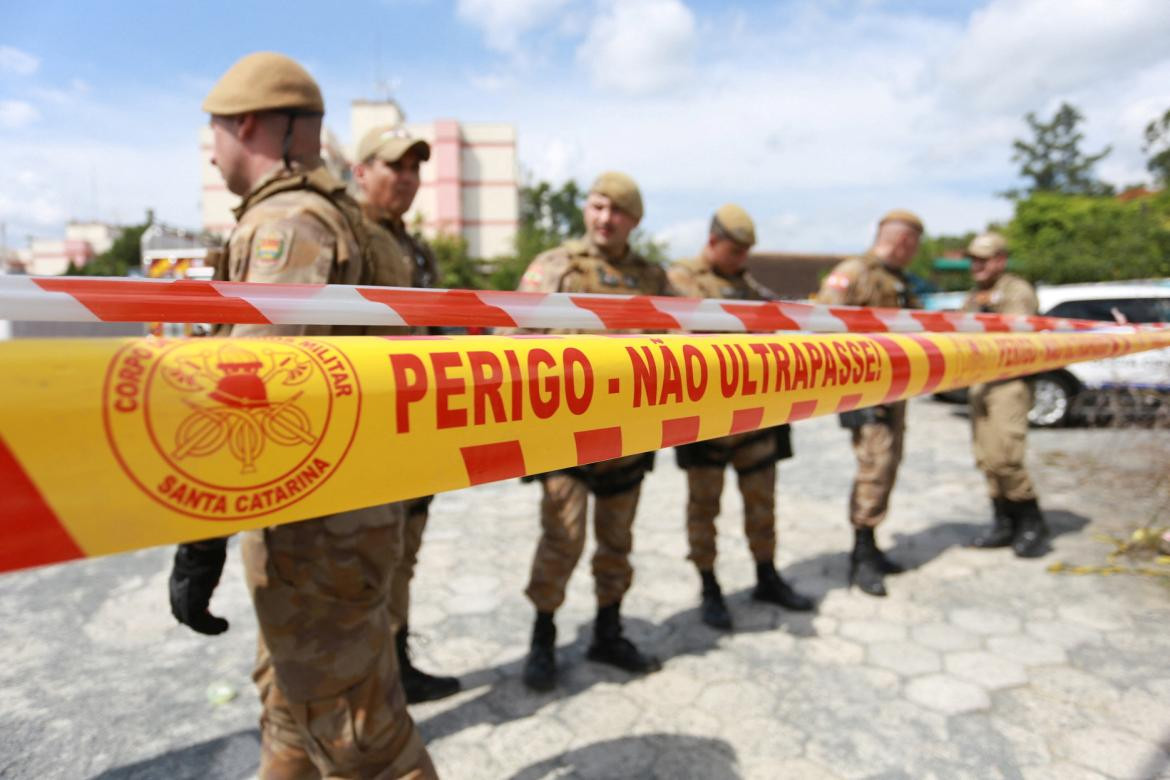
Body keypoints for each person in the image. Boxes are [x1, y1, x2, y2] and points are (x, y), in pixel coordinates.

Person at [171, 51, 434, 779]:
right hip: (325, 522)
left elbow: (248, 400)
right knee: (289, 708)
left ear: (248, 125)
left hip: (321, 532)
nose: (212, 148)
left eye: (216, 130)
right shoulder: (328, 215)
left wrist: (198, 539)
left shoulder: (291, 225)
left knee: (362, 738)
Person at [514, 171, 673, 691]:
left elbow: (684, 345)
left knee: (616, 544)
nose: (606, 219)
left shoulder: (653, 279)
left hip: (628, 442)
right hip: (565, 441)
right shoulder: (556, 268)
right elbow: (509, 342)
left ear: (636, 220)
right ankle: (543, 638)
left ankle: (608, 630)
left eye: (619, 210)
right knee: (562, 540)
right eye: (599, 206)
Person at [666, 204, 814, 630]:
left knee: (762, 503)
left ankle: (766, 575)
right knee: (703, 508)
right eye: (734, 251)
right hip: (706, 421)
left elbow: (774, 321)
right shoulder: (682, 278)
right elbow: (687, 337)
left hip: (754, 418)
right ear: (712, 242)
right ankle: (709, 586)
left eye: (746, 252)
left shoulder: (746, 284)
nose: (741, 260)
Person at [353, 125, 461, 704]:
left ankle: (395, 664)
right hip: (361, 434)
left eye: (415, 169)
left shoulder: (414, 248)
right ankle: (362, 683)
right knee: (358, 566)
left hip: (413, 433)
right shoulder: (347, 236)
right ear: (360, 171)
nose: (407, 178)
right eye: (394, 166)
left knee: (401, 556)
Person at [816, 210, 924, 597]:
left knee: (888, 462)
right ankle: (861, 555)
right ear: (903, 241)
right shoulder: (855, 272)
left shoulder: (896, 279)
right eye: (914, 245)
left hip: (894, 390)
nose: (914, 253)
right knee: (874, 466)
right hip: (866, 391)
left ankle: (871, 544)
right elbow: (824, 324)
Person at [962, 232, 1048, 557]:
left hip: (1009, 382)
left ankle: (1031, 522)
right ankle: (1003, 523)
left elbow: (1015, 334)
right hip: (980, 380)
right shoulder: (976, 295)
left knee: (1006, 457)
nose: (976, 266)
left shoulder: (1016, 291)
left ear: (1000, 260)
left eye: (983, 260)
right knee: (986, 457)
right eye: (973, 260)